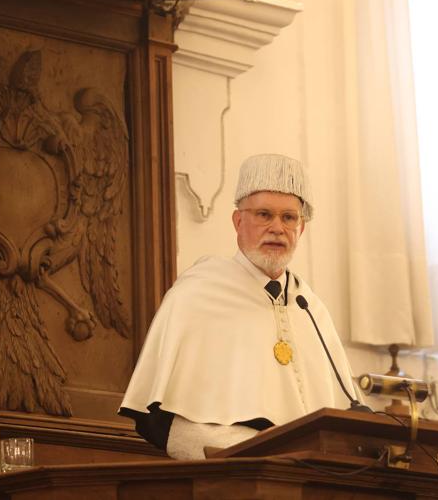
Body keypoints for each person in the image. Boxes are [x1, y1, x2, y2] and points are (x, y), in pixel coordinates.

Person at [118, 153, 357, 459]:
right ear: (238, 221)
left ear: (302, 229)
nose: (277, 228)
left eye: (288, 217)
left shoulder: (310, 309)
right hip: (234, 476)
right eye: (264, 215)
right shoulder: (198, 294)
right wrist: (253, 450)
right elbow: (157, 420)